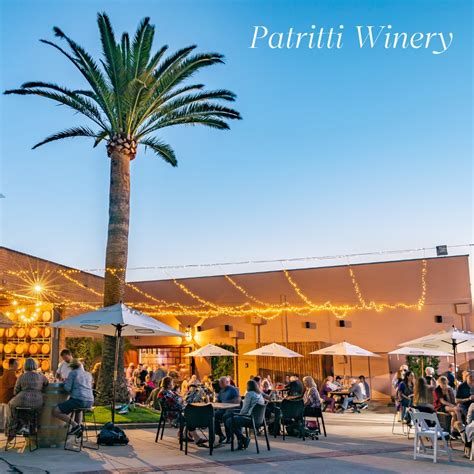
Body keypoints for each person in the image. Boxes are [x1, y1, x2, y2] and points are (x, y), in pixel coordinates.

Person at [6, 358, 48, 443]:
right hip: (37, 402)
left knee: (11, 406)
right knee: (30, 411)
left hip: (22, 399)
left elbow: (15, 391)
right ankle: (28, 427)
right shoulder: (41, 376)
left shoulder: (22, 376)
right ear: (35, 365)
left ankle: (13, 430)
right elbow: (47, 383)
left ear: (25, 365)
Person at [52, 359, 94, 436]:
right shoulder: (88, 374)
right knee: (78, 410)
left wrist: (65, 382)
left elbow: (67, 388)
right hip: (89, 401)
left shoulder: (73, 373)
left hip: (79, 400)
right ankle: (78, 428)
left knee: (56, 411)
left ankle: (75, 426)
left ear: (72, 367)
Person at [225, 379, 264, 450]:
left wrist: (238, 415)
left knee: (229, 421)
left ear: (248, 386)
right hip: (259, 420)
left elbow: (244, 409)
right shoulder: (259, 395)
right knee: (232, 418)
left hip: (250, 419)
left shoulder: (249, 394)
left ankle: (243, 439)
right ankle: (241, 441)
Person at [214, 376, 241, 443]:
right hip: (223, 409)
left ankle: (230, 437)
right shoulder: (221, 391)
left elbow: (238, 400)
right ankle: (220, 435)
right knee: (213, 416)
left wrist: (227, 403)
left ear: (226, 382)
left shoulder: (232, 389)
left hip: (231, 409)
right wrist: (216, 401)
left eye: (222, 382)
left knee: (225, 417)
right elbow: (219, 401)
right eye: (220, 383)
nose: (221, 384)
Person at [0, 359, 19, 431]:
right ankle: (6, 428)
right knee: (6, 414)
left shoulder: (6, 372)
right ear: (12, 364)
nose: (17, 366)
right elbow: (13, 385)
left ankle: (2, 427)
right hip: (8, 396)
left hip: (3, 396)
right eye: (16, 364)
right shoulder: (11, 373)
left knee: (3, 413)